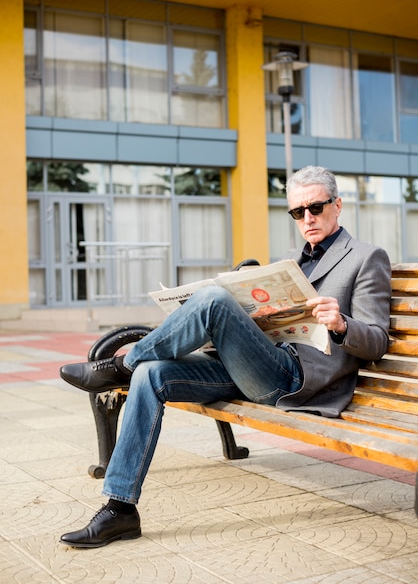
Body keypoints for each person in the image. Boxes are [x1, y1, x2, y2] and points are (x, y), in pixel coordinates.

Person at [59, 165, 391, 548]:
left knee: (213, 301)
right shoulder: (291, 261)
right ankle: (120, 510)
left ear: (338, 205)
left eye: (315, 208)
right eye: (297, 212)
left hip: (297, 379)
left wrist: (341, 324)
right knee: (151, 373)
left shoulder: (366, 258)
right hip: (257, 364)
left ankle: (118, 366)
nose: (307, 219)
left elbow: (377, 341)